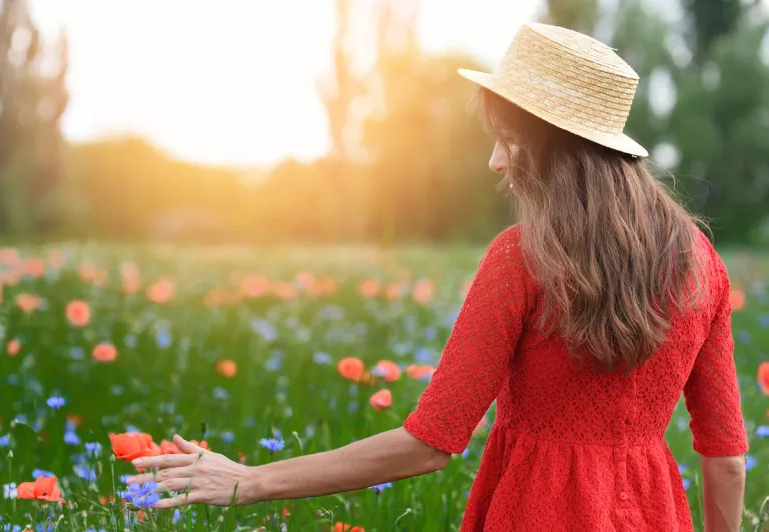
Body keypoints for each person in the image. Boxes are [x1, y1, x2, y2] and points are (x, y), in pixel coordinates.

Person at [126, 22, 748, 531]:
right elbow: (725, 459)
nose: (495, 160)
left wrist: (252, 479)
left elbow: (431, 443)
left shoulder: (523, 258)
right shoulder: (702, 265)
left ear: (557, 146)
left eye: (509, 140)